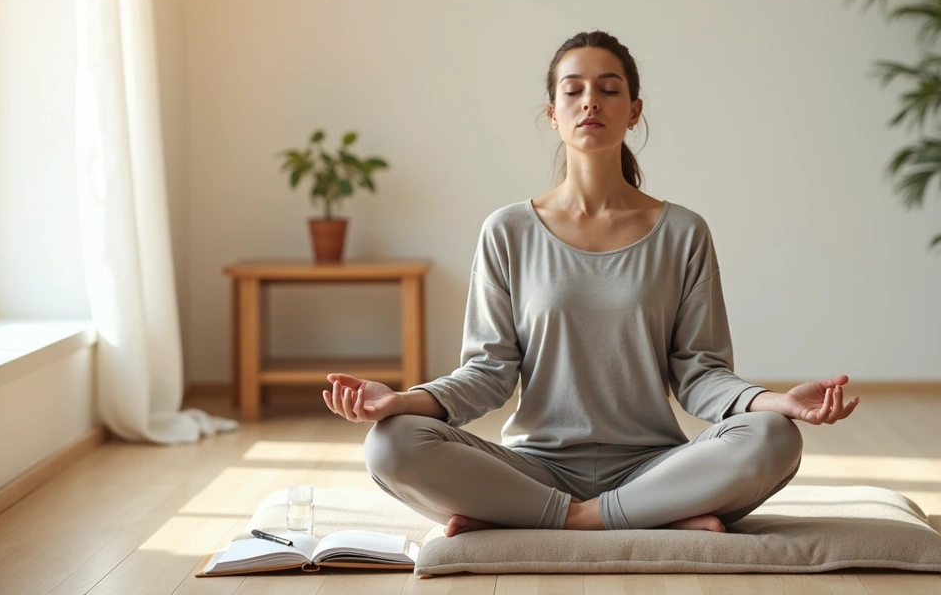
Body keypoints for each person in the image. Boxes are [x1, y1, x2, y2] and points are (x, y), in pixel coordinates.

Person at [322, 30, 859, 538]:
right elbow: (487, 374)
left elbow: (701, 375)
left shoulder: (683, 232)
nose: (591, 102)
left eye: (609, 89)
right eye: (573, 90)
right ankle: (639, 518)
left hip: (656, 468)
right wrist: (400, 401)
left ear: (634, 111)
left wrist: (777, 402)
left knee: (773, 438)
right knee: (390, 444)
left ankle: (549, 520)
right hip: (533, 469)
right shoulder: (506, 230)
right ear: (553, 114)